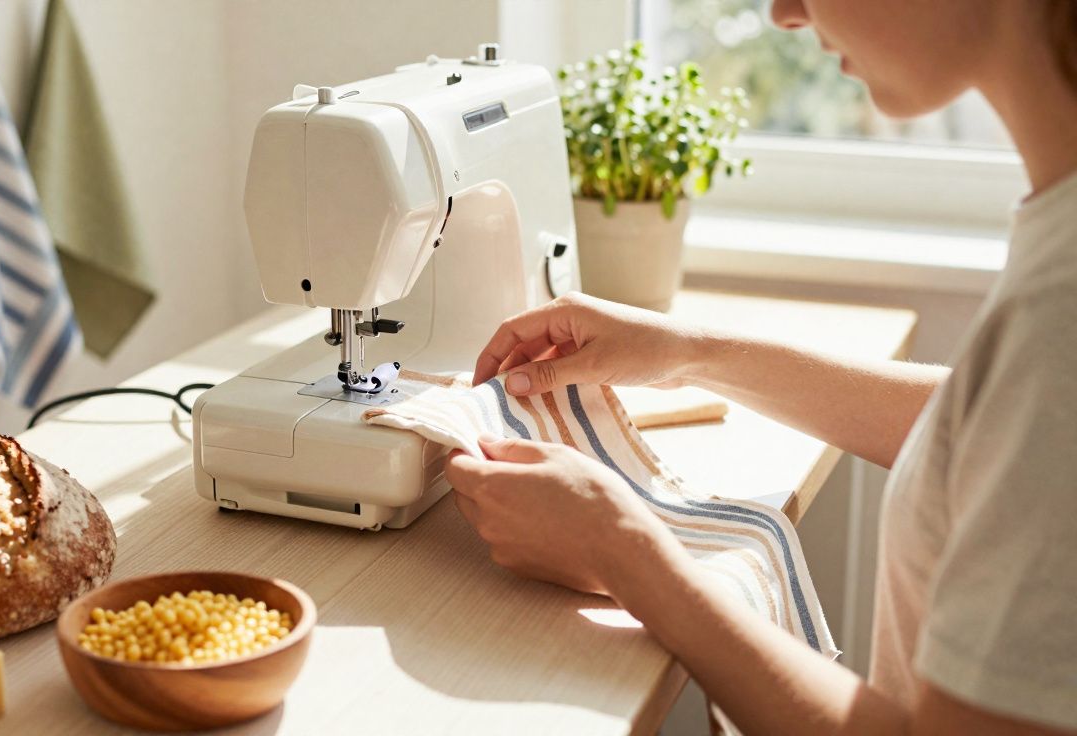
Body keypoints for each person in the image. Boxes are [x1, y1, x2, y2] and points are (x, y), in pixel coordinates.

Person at [444, 1, 1077, 733]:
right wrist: (691, 354)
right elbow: (997, 434)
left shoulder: (1059, 312)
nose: (784, 13)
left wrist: (627, 554)